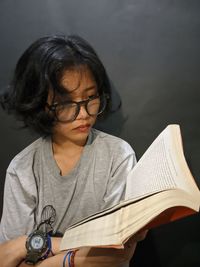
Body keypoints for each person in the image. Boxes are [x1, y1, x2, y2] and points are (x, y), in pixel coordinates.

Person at [0, 34, 147, 267]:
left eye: (91, 97)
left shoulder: (118, 156)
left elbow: (116, 252)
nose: (84, 114)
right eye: (66, 103)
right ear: (39, 104)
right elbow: (8, 257)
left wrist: (34, 246)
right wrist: (85, 255)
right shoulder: (23, 168)